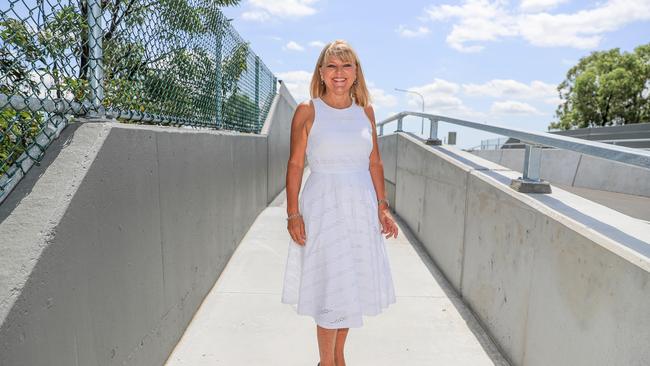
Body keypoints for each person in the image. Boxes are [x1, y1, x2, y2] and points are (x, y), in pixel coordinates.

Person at [281, 39, 398, 366]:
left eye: (346, 66)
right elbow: (294, 165)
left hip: (359, 208)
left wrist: (382, 207)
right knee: (330, 288)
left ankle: (334, 358)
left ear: (356, 73)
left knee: (350, 285)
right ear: (320, 73)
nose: (339, 73)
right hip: (323, 207)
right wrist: (293, 214)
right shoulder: (307, 110)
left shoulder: (366, 113)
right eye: (331, 66)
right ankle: (328, 362)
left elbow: (375, 163)